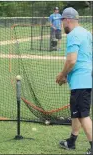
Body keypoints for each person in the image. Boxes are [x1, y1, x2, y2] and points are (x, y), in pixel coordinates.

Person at [56, 7, 92, 154]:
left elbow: (71, 60)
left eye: (62, 21)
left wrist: (62, 75)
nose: (61, 24)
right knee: (76, 113)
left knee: (83, 115)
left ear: (68, 20)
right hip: (86, 78)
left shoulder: (73, 34)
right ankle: (71, 141)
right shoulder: (86, 33)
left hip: (80, 81)